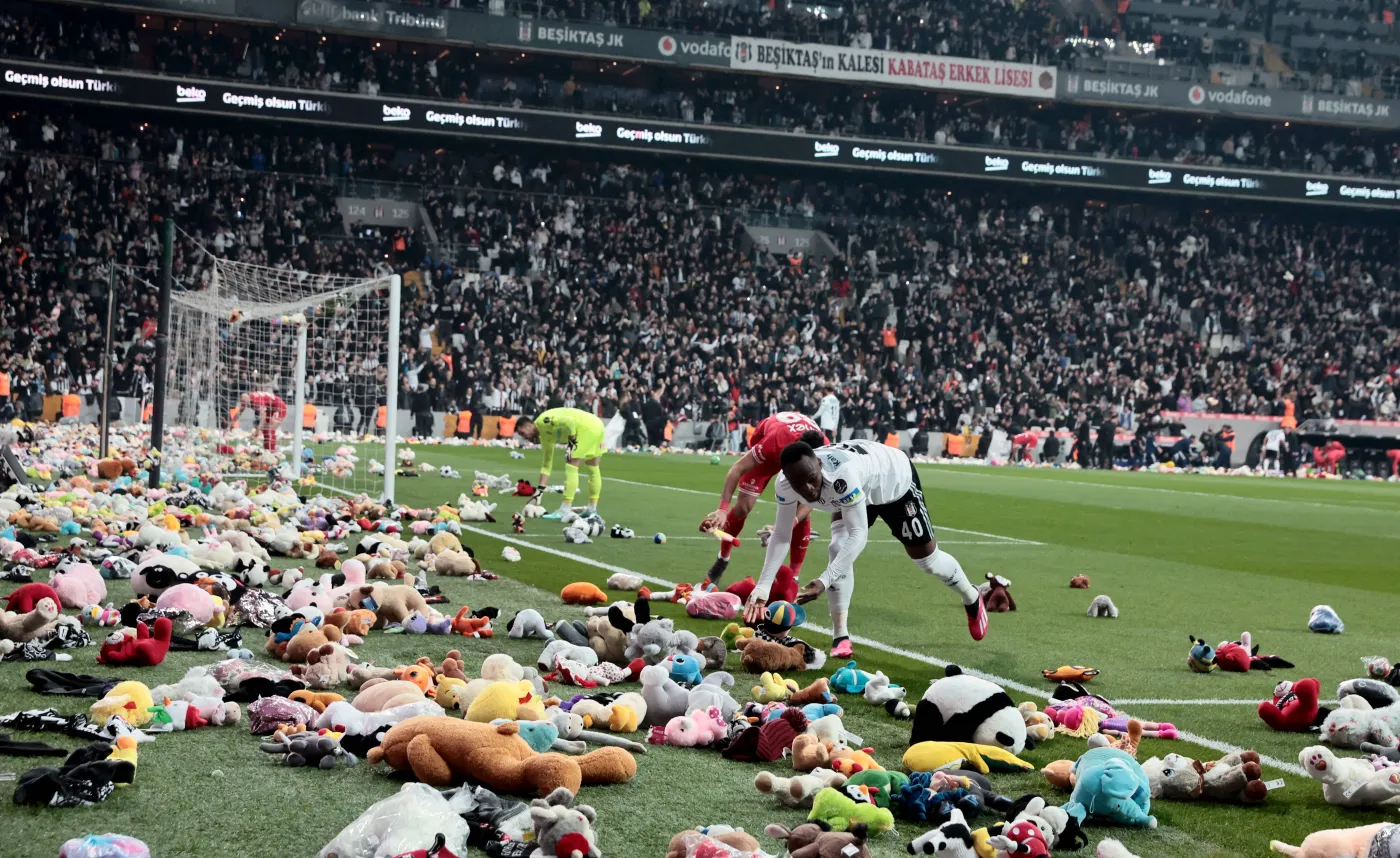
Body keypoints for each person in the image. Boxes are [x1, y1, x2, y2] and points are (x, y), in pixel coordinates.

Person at [743, 439, 988, 658]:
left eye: (811, 480)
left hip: (893, 482)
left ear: (818, 464)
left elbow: (860, 534)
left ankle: (971, 596)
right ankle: (841, 635)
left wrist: (825, 579)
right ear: (786, 477)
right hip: (855, 489)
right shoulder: (784, 484)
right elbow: (783, 534)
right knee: (838, 546)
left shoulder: (841, 476)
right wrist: (763, 585)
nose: (808, 490)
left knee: (927, 561)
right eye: (799, 484)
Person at [699, 411, 827, 586]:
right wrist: (722, 509)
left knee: (804, 506)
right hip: (770, 447)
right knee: (743, 507)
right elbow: (737, 469)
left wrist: (788, 524)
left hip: (795, 449)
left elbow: (814, 498)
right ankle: (723, 559)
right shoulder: (774, 441)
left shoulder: (825, 452)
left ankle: (794, 578)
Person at [515, 406, 606, 517]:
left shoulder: (544, 421)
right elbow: (547, 464)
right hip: (597, 424)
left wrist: (571, 443)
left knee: (571, 464)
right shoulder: (544, 437)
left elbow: (569, 421)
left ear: (528, 425)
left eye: (523, 433)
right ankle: (592, 509)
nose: (525, 438)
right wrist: (539, 492)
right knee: (593, 467)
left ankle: (565, 509)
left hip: (585, 428)